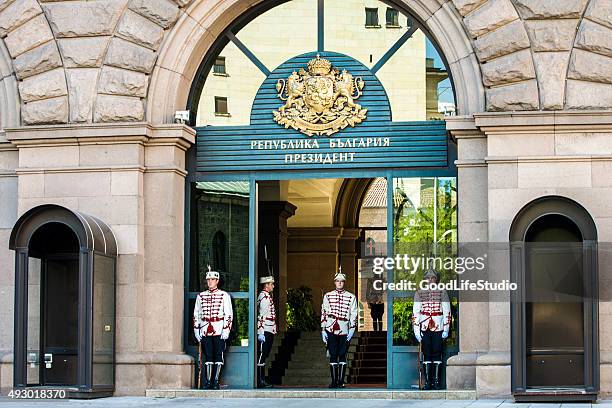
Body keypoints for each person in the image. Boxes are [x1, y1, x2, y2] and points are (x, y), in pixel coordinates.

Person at [193, 266, 233, 389]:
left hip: (219, 329)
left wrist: (226, 329)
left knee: (218, 356)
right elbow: (197, 314)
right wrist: (197, 330)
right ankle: (208, 381)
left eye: (212, 280)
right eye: (208, 280)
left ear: (217, 281)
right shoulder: (201, 296)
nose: (210, 282)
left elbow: (228, 314)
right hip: (205, 330)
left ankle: (215, 381)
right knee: (208, 356)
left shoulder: (224, 295)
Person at [412, 268, 451, 390]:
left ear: (436, 279)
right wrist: (416, 331)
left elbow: (447, 311)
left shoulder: (442, 292)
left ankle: (436, 382)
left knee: (437, 353)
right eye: (428, 278)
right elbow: (415, 313)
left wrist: (446, 329)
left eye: (432, 278)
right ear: (425, 280)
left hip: (438, 326)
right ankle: (428, 382)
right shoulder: (419, 292)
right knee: (427, 353)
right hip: (424, 326)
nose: (430, 280)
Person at [321, 268, 358, 388]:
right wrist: (323, 329)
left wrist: (352, 328)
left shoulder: (351, 297)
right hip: (331, 327)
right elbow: (324, 312)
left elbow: (354, 313)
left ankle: (341, 381)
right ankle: (334, 381)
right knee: (333, 354)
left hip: (344, 328)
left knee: (342, 354)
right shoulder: (328, 295)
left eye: (342, 281)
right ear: (334, 282)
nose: (340, 283)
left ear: (344, 282)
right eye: (337, 281)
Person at [256, 274, 276, 388]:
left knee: (264, 354)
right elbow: (262, 315)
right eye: (271, 284)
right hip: (266, 329)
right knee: (262, 355)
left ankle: (262, 380)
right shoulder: (265, 297)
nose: (273, 286)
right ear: (266, 285)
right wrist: (261, 331)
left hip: (269, 328)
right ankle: (260, 380)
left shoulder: (266, 296)